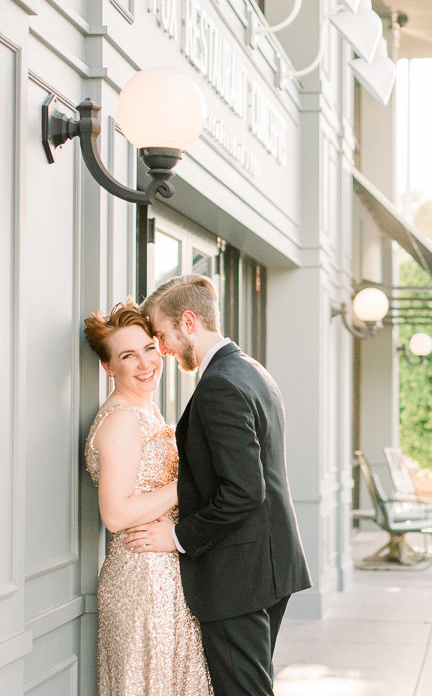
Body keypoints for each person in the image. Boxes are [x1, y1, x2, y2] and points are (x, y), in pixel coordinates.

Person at [122, 274, 311, 696]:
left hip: (238, 575)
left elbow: (245, 490)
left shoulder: (219, 385)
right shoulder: (251, 371)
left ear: (188, 322)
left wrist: (176, 536)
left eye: (162, 334)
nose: (162, 347)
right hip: (269, 565)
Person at [82, 299, 212, 696]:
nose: (144, 364)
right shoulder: (122, 418)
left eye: (149, 350)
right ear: (109, 367)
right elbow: (116, 514)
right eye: (128, 356)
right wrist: (188, 482)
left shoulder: (146, 410)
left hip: (166, 574)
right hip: (142, 581)